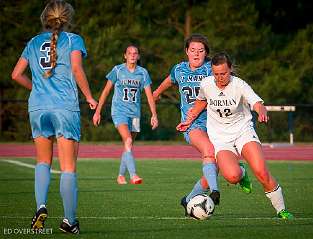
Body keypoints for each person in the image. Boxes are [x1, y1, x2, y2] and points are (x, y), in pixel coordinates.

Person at [11, 0, 98, 234]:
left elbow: (16, 74)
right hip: (64, 108)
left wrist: (36, 89)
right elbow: (78, 70)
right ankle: (69, 222)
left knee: (42, 162)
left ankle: (40, 206)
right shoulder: (73, 40)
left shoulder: (32, 42)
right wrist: (90, 97)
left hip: (38, 108)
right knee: (68, 167)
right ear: (68, 18)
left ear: (45, 18)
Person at [177, 52, 294, 219]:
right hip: (220, 139)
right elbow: (201, 102)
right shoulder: (207, 84)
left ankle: (282, 210)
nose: (219, 77)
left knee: (261, 172)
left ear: (230, 69)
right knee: (233, 177)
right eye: (216, 74)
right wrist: (189, 120)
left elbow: (257, 103)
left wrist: (261, 111)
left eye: (223, 73)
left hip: (243, 132)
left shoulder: (240, 85)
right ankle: (242, 172)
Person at [153, 34, 251, 211]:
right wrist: (156, 93)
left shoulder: (210, 69)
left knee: (213, 169)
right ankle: (215, 192)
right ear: (186, 51)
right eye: (192, 50)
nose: (196, 54)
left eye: (201, 50)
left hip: (218, 124)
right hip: (192, 124)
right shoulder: (179, 69)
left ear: (206, 53)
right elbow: (169, 81)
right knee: (209, 151)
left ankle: (188, 200)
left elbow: (231, 84)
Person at [93, 44, 158, 185]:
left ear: (138, 56)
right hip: (119, 112)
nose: (133, 55)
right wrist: (97, 111)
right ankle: (133, 175)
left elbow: (149, 96)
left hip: (135, 114)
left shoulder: (143, 73)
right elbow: (105, 92)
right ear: (125, 55)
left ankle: (120, 176)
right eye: (130, 53)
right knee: (128, 140)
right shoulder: (117, 70)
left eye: (135, 53)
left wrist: (154, 115)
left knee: (128, 145)